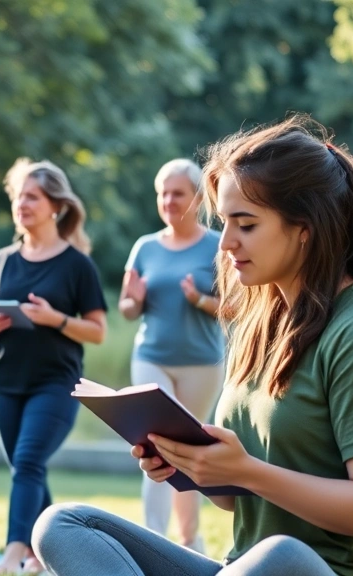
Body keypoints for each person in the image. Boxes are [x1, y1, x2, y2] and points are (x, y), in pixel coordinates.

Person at [32, 115, 353, 576]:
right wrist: (191, 462)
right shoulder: (259, 323)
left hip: (324, 570)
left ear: (307, 228)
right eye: (223, 223)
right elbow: (233, 497)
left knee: (281, 555)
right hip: (242, 569)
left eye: (245, 224)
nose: (225, 244)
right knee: (64, 524)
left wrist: (245, 472)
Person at [0, 158, 108, 574]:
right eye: (18, 196)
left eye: (32, 196)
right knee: (26, 469)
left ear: (56, 205)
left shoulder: (76, 265)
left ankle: (13, 553)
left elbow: (98, 331)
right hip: (4, 382)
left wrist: (57, 320)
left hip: (56, 384)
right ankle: (45, 555)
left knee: (28, 463)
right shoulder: (1, 261)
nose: (22, 204)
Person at [118, 159, 224, 551]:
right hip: (151, 357)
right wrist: (135, 300)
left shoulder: (217, 245)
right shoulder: (144, 247)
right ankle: (152, 541)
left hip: (202, 363)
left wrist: (200, 300)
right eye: (162, 192)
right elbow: (127, 309)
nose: (168, 200)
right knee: (155, 444)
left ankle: (189, 541)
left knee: (189, 451)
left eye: (177, 192)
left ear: (196, 198)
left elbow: (237, 307)